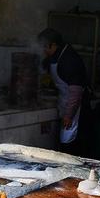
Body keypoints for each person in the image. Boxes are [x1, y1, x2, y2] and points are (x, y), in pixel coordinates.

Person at [37, 28, 92, 156]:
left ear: (54, 45)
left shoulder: (70, 60)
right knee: (63, 141)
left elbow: (76, 93)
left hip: (76, 108)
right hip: (65, 101)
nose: (44, 50)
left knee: (70, 143)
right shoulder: (54, 56)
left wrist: (68, 115)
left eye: (46, 47)